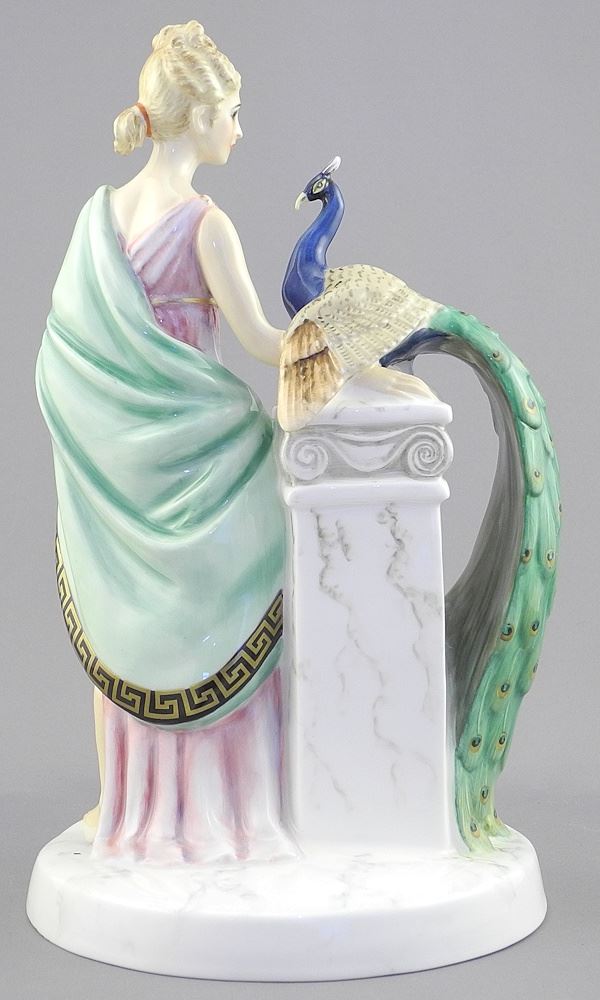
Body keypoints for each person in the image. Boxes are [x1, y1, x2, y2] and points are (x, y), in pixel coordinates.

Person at [36, 21, 291, 863]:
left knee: (130, 616)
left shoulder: (97, 218)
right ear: (200, 118)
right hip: (200, 463)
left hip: (122, 475)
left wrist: (105, 446)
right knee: (261, 532)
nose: (240, 131)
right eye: (234, 114)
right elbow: (259, 341)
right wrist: (332, 331)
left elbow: (61, 358)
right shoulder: (206, 223)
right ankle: (228, 811)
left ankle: (131, 806)